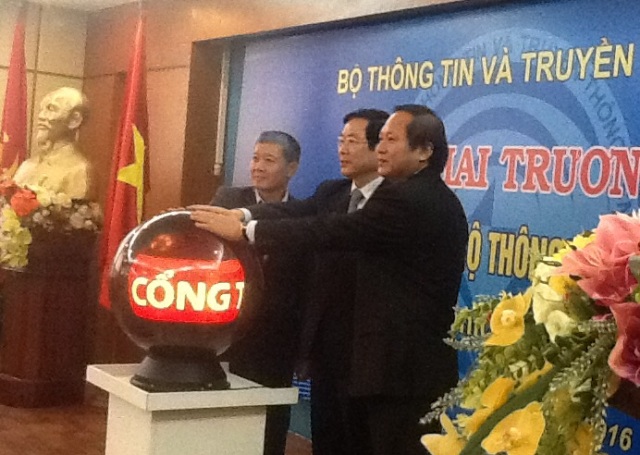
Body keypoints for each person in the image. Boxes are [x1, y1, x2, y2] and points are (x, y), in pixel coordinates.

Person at [190, 105, 468, 455]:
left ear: (424, 150)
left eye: (390, 140)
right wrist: (241, 216)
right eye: (379, 139)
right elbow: (302, 212)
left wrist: (247, 232)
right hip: (369, 366)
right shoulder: (401, 193)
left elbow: (332, 230)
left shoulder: (412, 199)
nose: (381, 148)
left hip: (402, 371)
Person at [234, 109, 389, 455]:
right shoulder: (332, 192)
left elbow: (318, 231)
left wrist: (248, 231)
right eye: (341, 140)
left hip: (371, 352)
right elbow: (294, 213)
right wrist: (242, 216)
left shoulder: (396, 201)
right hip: (327, 350)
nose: (342, 149)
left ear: (379, 147)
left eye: (352, 141)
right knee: (328, 438)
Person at [211, 130, 305, 455]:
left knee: (272, 420)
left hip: (277, 337)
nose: (258, 167)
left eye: (268, 160)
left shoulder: (303, 213)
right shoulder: (228, 201)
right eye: (254, 158)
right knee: (225, 419)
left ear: (291, 168)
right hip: (228, 330)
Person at [13, 87, 90, 199]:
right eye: (41, 109)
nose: (41, 116)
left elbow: (76, 208)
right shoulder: (28, 165)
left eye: (51, 109)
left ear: (74, 120)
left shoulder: (79, 170)